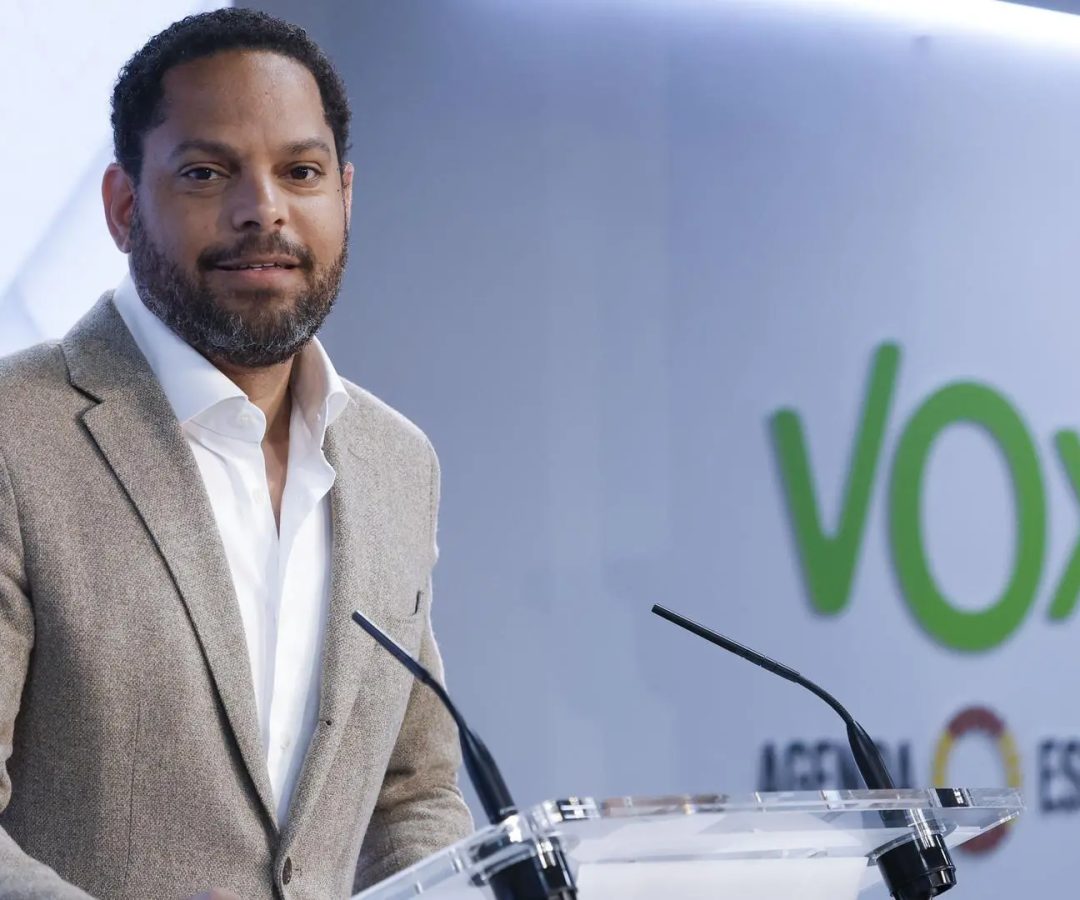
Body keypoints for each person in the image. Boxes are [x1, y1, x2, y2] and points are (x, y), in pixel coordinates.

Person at [0, 9, 472, 899]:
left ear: (344, 196)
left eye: (301, 171)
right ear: (123, 205)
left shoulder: (396, 463)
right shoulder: (16, 440)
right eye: (208, 172)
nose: (265, 210)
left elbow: (410, 798)